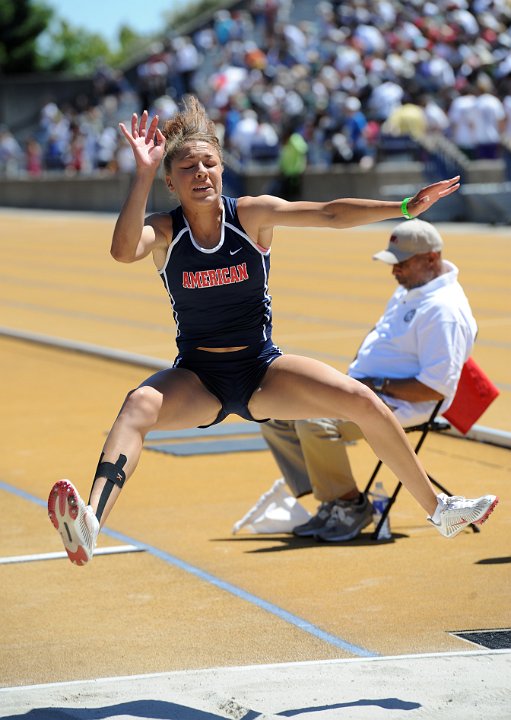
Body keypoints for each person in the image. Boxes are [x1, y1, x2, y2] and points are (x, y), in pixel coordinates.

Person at [47, 97, 498, 566]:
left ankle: (440, 509)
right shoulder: (165, 231)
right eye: (187, 167)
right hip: (199, 378)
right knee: (138, 405)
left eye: (210, 163)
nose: (201, 172)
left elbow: (327, 213)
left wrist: (404, 206)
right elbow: (122, 251)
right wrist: (140, 173)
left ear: (222, 170)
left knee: (362, 400)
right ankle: (91, 525)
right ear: (169, 179)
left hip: (262, 369)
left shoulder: (251, 215)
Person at [241, 218, 481, 542]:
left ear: (431, 259)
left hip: (402, 404)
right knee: (271, 410)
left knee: (313, 422)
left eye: (401, 264)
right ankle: (331, 500)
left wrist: (375, 386)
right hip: (368, 390)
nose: (394, 271)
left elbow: (435, 389)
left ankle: (349, 505)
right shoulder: (411, 289)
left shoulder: (444, 310)